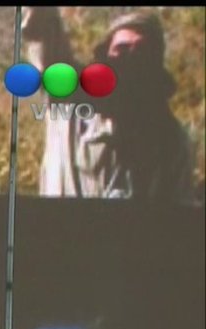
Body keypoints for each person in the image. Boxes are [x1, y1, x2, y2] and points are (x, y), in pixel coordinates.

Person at [22, 7, 198, 202]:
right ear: (105, 56)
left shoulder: (170, 140)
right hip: (61, 222)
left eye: (142, 50)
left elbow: (179, 211)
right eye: (121, 49)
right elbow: (45, 31)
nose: (130, 58)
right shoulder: (71, 100)